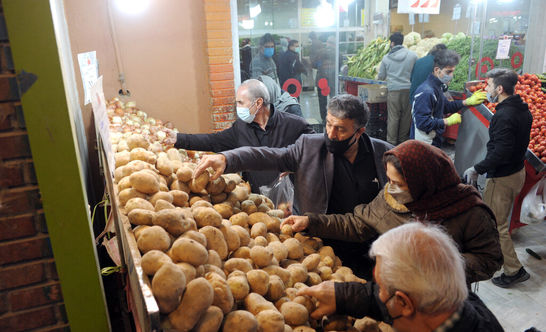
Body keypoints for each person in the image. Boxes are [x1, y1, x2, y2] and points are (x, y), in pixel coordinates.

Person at [193, 94, 393, 277]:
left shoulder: (383, 155)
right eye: (329, 125)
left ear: (359, 132)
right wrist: (227, 158)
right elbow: (267, 155)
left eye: (340, 129)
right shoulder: (310, 146)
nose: (331, 134)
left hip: (369, 249)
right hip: (318, 244)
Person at [282, 140, 503, 284]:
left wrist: (433, 263)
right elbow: (358, 224)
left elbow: (489, 260)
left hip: (442, 297)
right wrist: (311, 222)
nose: (392, 188)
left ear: (423, 183)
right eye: (389, 180)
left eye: (399, 183)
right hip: (394, 288)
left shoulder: (468, 211)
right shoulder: (391, 198)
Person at [298, 222, 504, 332]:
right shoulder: (448, 298)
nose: (377, 293)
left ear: (404, 303)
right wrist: (344, 295)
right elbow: (388, 299)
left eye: (380, 288)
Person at [163, 79, 313, 193]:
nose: (238, 108)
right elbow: (213, 141)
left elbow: (318, 152)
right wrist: (178, 138)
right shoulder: (241, 128)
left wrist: (298, 164)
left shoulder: (295, 125)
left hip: (292, 201)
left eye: (240, 103)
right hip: (259, 202)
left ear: (258, 103)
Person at [464, 68, 533, 288]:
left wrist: (478, 167)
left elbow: (501, 150)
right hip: (517, 172)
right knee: (500, 222)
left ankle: (514, 270)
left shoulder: (504, 115)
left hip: (503, 178)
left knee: (497, 226)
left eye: (489, 85)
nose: (486, 89)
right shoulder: (522, 109)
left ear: (500, 88)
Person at [412, 49, 487, 147]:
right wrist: (446, 121)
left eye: (452, 71)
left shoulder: (436, 86)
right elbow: (422, 123)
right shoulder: (426, 92)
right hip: (424, 142)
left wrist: (466, 102)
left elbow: (445, 106)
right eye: (448, 72)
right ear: (437, 70)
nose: (451, 75)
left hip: (434, 137)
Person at [377, 32, 418, 146]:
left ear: (393, 43)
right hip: (408, 90)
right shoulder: (413, 56)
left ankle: (391, 143)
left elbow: (381, 76)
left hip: (393, 91)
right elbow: (416, 72)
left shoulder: (386, 58)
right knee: (406, 117)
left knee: (393, 117)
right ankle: (403, 142)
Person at [315, 35, 336, 123]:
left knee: (327, 100)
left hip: (325, 80)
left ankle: (326, 118)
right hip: (325, 80)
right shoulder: (335, 53)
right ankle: (328, 117)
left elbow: (315, 64)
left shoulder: (320, 52)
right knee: (330, 99)